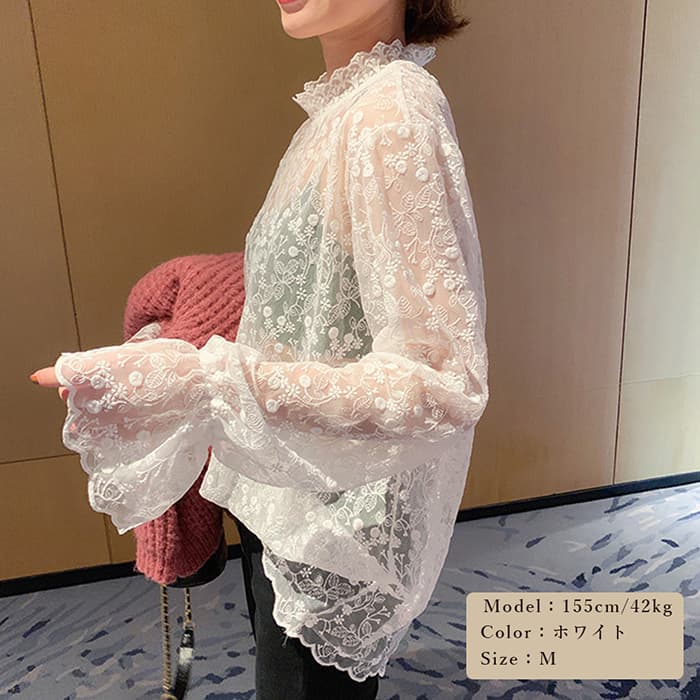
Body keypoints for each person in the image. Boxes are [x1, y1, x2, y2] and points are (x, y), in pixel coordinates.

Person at [30, 0, 488, 697]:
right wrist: (184, 327)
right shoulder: (342, 110)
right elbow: (323, 301)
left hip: (334, 523)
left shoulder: (392, 112)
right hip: (288, 496)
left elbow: (442, 381)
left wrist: (202, 382)